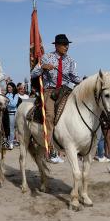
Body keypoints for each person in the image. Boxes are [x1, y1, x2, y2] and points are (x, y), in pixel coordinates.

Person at [31, 34, 82, 164]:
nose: (66, 47)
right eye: (64, 45)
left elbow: (74, 77)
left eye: (67, 44)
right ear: (57, 45)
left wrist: (83, 83)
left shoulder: (70, 60)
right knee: (50, 115)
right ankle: (49, 148)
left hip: (65, 90)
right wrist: (42, 67)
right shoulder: (47, 57)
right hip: (50, 91)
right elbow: (33, 73)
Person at [5, 82, 20, 150]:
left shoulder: (15, 95)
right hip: (6, 113)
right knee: (6, 128)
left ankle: (11, 142)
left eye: (10, 87)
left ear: (13, 88)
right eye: (8, 87)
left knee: (12, 129)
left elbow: (14, 104)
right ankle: (7, 141)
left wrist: (9, 98)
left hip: (13, 113)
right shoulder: (6, 94)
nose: (8, 88)